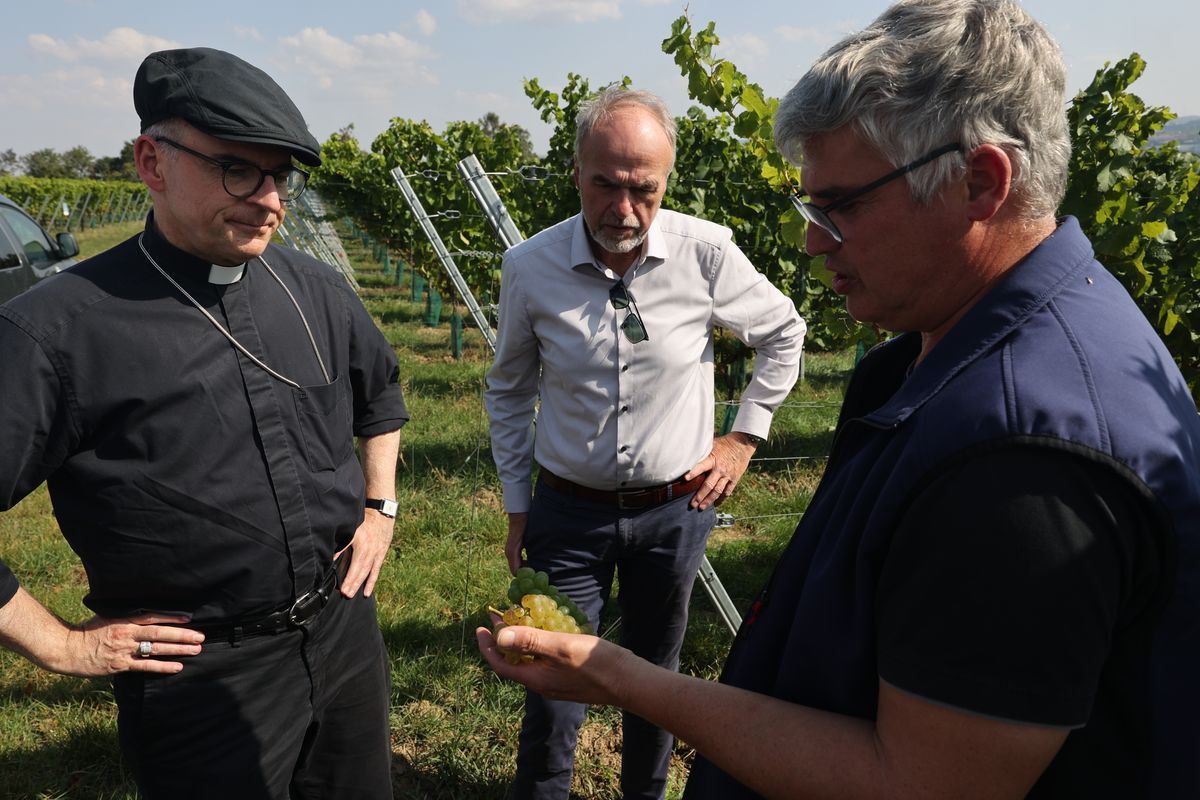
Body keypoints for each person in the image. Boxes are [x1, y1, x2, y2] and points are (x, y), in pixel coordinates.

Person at [478, 1, 1200, 797]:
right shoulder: (943, 362)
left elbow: (919, 784)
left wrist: (622, 676)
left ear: (979, 183)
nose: (814, 240)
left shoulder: (1022, 459)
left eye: (842, 205)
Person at [0, 48, 407, 799]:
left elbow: (380, 396)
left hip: (344, 634)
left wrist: (380, 506)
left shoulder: (315, 290)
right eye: (238, 170)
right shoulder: (57, 334)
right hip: (202, 678)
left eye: (280, 175)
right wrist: (58, 645)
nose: (270, 200)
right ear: (152, 162)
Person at [483, 86, 806, 799]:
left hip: (674, 513)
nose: (624, 210)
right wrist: (517, 507)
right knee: (553, 678)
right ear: (576, 173)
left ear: (666, 183)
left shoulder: (706, 254)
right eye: (606, 185)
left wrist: (743, 437)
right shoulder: (530, 267)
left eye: (644, 190)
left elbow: (784, 333)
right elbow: (507, 390)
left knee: (658, 678)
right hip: (568, 513)